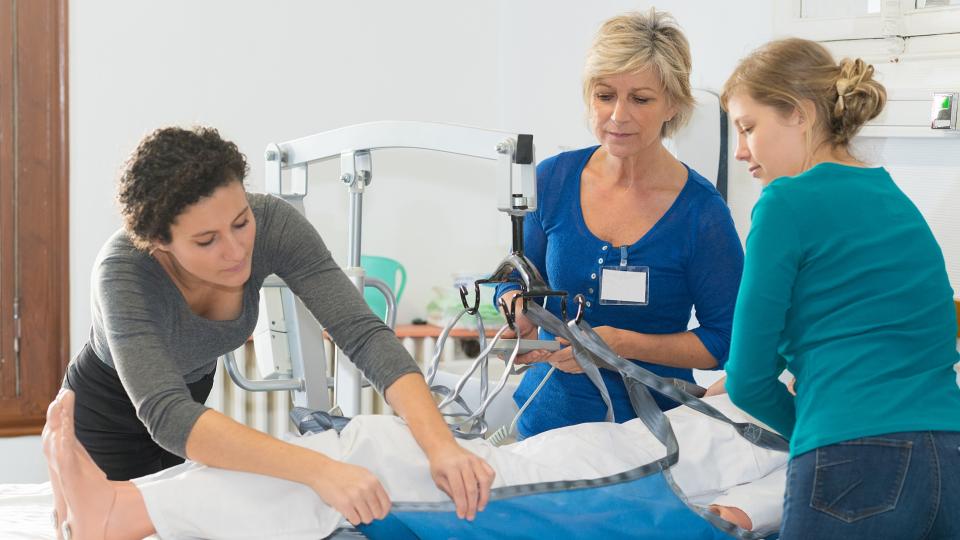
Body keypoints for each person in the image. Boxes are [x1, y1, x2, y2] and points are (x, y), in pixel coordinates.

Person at [57, 127, 494, 530]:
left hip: (190, 402)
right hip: (107, 413)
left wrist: (441, 446)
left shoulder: (274, 225)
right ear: (159, 243)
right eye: (206, 241)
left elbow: (361, 333)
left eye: (241, 222)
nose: (234, 250)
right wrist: (322, 470)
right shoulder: (123, 270)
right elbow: (166, 416)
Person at [721, 38, 960, 538]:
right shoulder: (892, 197)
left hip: (854, 461)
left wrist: (812, 430)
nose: (741, 150)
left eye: (747, 127)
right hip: (948, 456)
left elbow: (746, 378)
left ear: (800, 115)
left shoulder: (784, 203)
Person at [43, 380, 787, 540]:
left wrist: (732, 521)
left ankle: (122, 511)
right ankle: (128, 501)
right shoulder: (772, 383)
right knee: (336, 452)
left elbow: (768, 501)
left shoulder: (827, 431)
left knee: (369, 459)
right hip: (594, 447)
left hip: (623, 482)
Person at [494, 9, 743, 438]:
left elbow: (726, 341)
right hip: (543, 427)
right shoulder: (551, 180)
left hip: (648, 440)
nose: (618, 116)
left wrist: (621, 346)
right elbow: (512, 276)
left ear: (673, 104)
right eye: (605, 96)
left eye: (640, 99)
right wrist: (516, 311)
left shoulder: (700, 213)